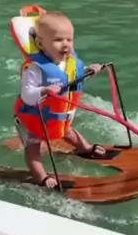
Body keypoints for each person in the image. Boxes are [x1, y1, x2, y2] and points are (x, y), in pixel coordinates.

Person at [14, 12, 105, 189]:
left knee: (67, 132)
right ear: (41, 44)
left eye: (69, 39)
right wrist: (44, 90)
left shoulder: (71, 63)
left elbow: (74, 78)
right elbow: (27, 95)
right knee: (33, 146)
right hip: (32, 119)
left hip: (58, 116)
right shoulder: (34, 69)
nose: (66, 44)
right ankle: (41, 176)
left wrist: (88, 71)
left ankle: (85, 148)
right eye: (58, 40)